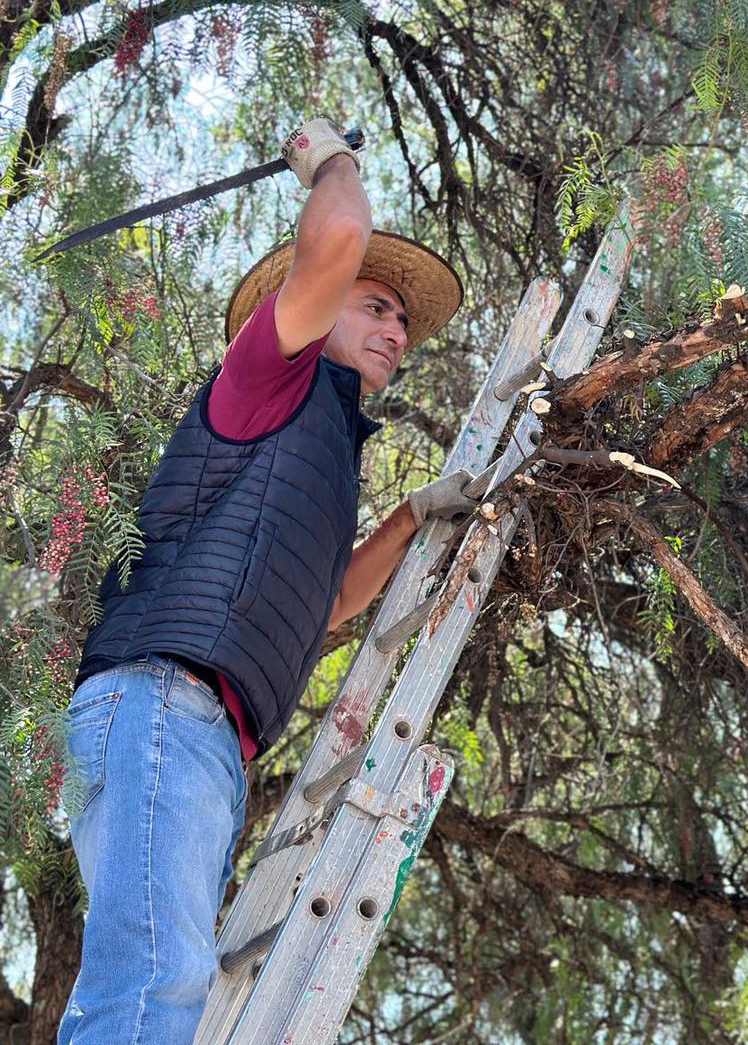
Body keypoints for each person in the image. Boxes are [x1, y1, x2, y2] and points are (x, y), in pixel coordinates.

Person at [57, 118, 481, 1043]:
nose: (396, 327)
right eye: (374, 305)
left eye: (402, 319)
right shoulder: (265, 377)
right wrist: (331, 158)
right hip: (163, 705)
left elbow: (325, 604)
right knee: (150, 987)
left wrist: (411, 519)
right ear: (310, 308)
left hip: (203, 741)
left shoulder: (325, 443)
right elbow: (335, 237)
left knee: (165, 990)